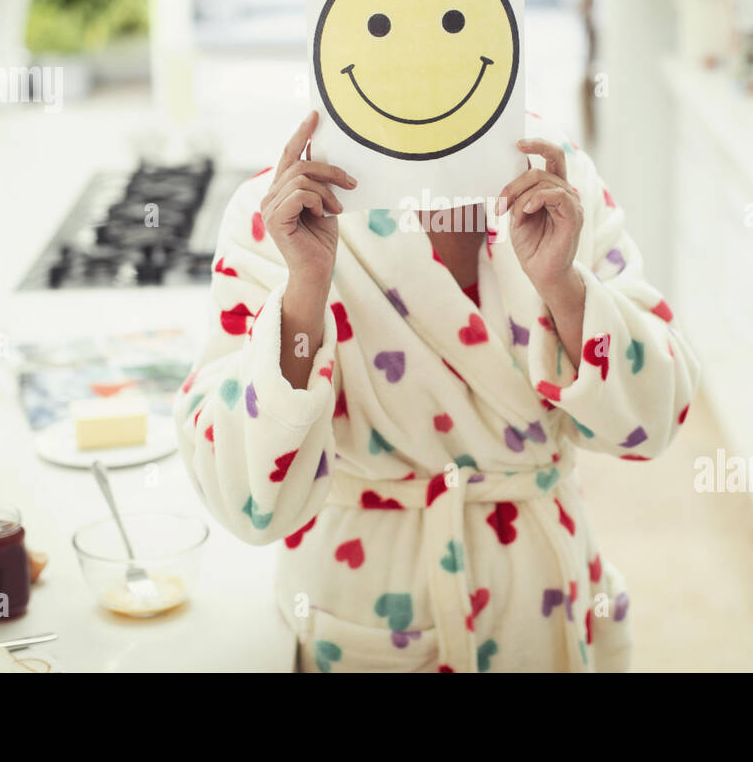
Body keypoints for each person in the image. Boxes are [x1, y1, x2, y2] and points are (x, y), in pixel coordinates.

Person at [174, 110, 700, 672]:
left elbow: (655, 417)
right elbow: (247, 502)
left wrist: (562, 285)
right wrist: (305, 290)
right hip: (370, 604)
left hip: (541, 596)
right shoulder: (278, 211)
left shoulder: (552, 176)